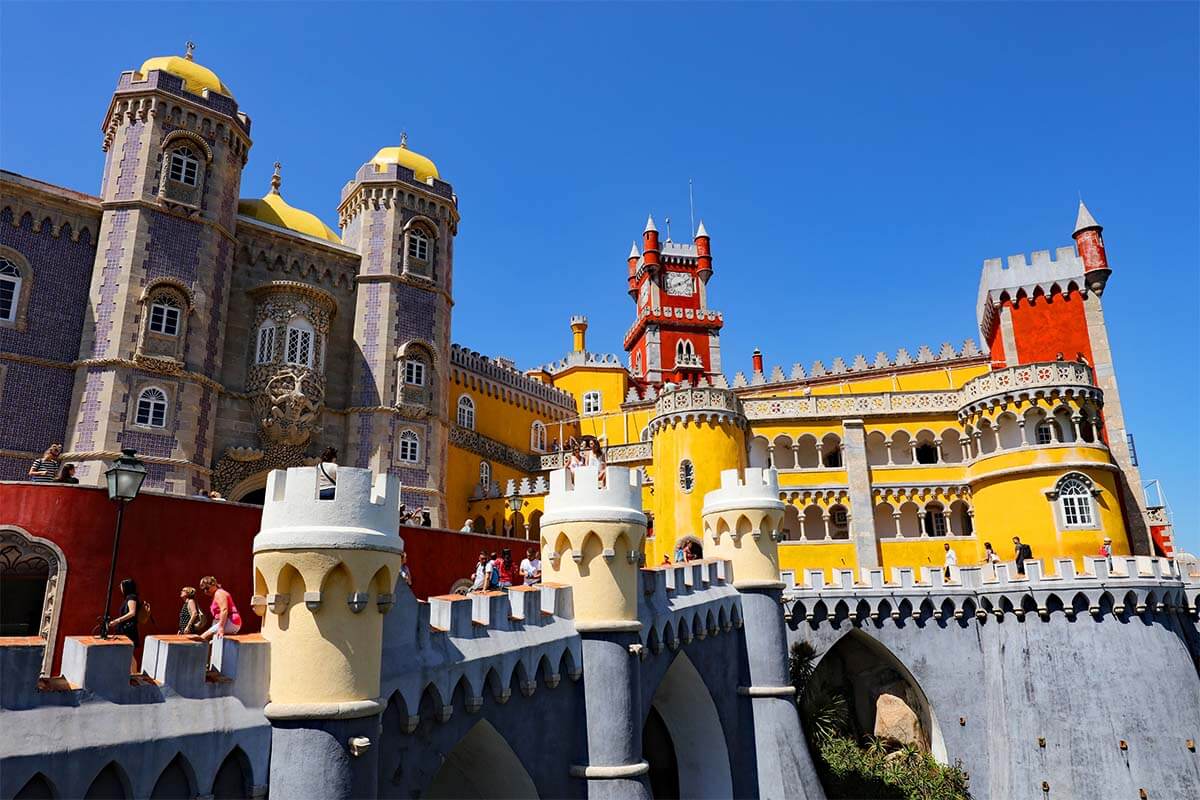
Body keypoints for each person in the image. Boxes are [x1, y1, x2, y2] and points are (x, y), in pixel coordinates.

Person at [107, 578, 141, 671]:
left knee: (129, 653)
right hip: (125, 628)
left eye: (121, 586)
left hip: (128, 629)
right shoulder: (129, 598)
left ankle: (133, 675)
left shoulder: (131, 598)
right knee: (126, 652)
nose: (120, 588)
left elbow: (132, 612)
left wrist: (117, 621)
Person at [199, 576, 242, 641]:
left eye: (207, 588)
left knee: (202, 638)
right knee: (211, 641)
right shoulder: (217, 593)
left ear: (213, 584)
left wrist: (221, 627)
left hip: (231, 621)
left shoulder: (219, 593)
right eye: (203, 589)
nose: (205, 591)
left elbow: (224, 610)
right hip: (228, 621)